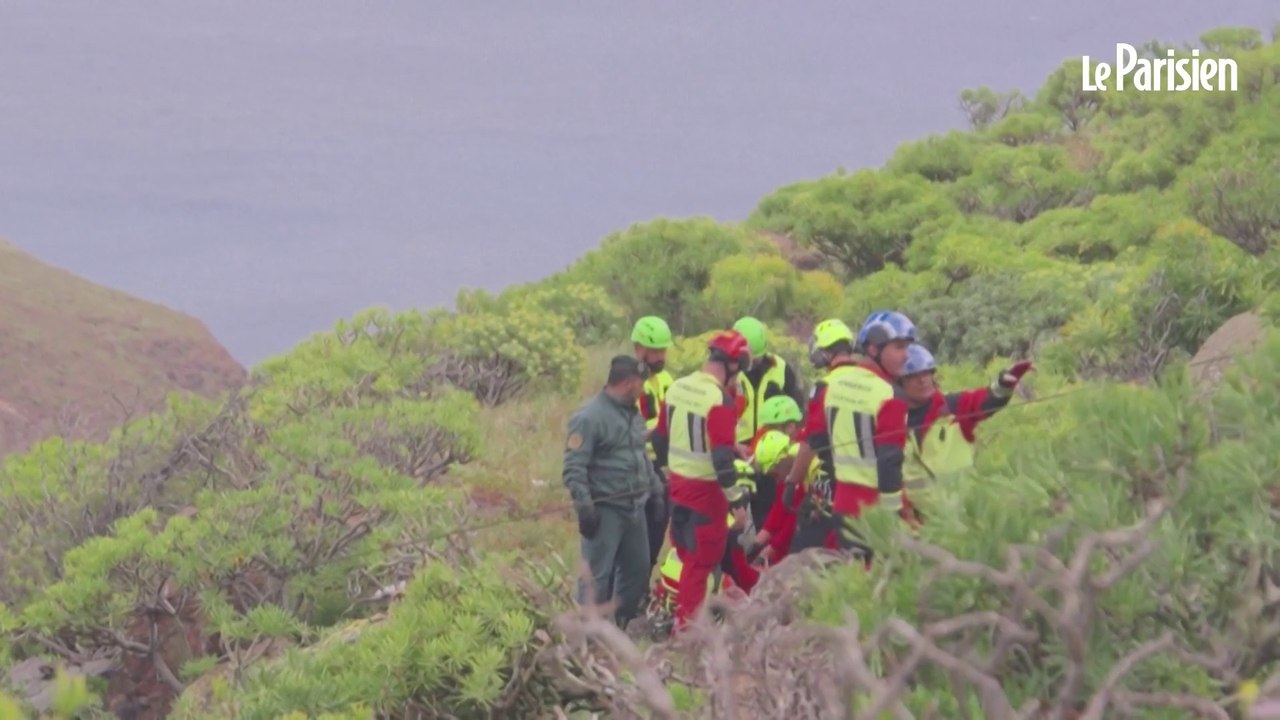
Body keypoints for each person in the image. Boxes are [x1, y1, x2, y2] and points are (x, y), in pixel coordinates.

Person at [783, 313, 917, 561]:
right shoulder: (889, 394)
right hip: (875, 507)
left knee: (853, 576)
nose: (906, 355)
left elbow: (815, 440)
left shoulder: (831, 387)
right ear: (874, 349)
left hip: (842, 504)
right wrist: (894, 515)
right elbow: (889, 461)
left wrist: (793, 481)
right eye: (899, 348)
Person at [651, 329, 752, 630]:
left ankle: (683, 622)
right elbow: (721, 460)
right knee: (699, 569)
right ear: (733, 366)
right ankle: (687, 639)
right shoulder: (719, 398)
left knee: (685, 561)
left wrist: (671, 472)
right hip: (706, 499)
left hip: (677, 490)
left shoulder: (678, 387)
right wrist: (737, 500)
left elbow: (659, 439)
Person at [562, 355, 667, 627]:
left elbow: (640, 455)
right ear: (628, 383)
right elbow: (574, 467)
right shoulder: (588, 418)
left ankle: (617, 626)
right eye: (640, 384)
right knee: (595, 577)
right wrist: (585, 507)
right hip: (605, 510)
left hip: (635, 508)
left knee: (638, 571)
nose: (643, 389)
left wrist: (656, 491)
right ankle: (587, 634)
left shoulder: (633, 415)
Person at [897, 344, 1033, 519]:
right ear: (900, 383)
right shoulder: (891, 420)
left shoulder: (952, 407)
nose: (922, 380)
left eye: (926, 373)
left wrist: (1004, 384)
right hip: (918, 523)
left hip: (963, 514)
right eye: (913, 376)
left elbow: (987, 399)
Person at [630, 315, 677, 572]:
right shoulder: (628, 384)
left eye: (663, 350)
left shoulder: (666, 380)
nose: (660, 356)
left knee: (659, 528)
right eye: (655, 351)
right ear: (639, 349)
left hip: (663, 466)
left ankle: (644, 580)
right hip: (637, 467)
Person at [732, 316, 806, 446]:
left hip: (773, 446)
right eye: (746, 360)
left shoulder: (781, 368)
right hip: (736, 446)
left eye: (755, 360)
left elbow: (799, 412)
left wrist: (782, 400)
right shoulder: (729, 373)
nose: (750, 365)